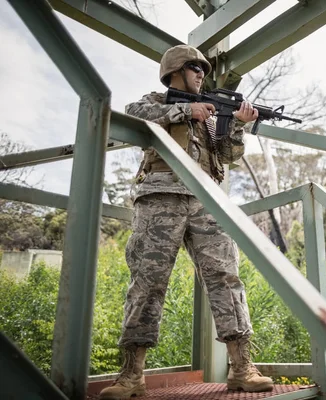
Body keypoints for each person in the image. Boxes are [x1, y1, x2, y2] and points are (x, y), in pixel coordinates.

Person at [99, 44, 273, 399]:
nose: (201, 74)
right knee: (147, 282)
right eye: (195, 68)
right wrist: (184, 110)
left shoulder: (209, 116)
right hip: (160, 197)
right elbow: (134, 114)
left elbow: (228, 155)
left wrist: (238, 125)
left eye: (204, 70)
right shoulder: (157, 100)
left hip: (205, 201)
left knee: (227, 279)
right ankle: (132, 375)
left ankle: (242, 368)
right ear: (175, 71)